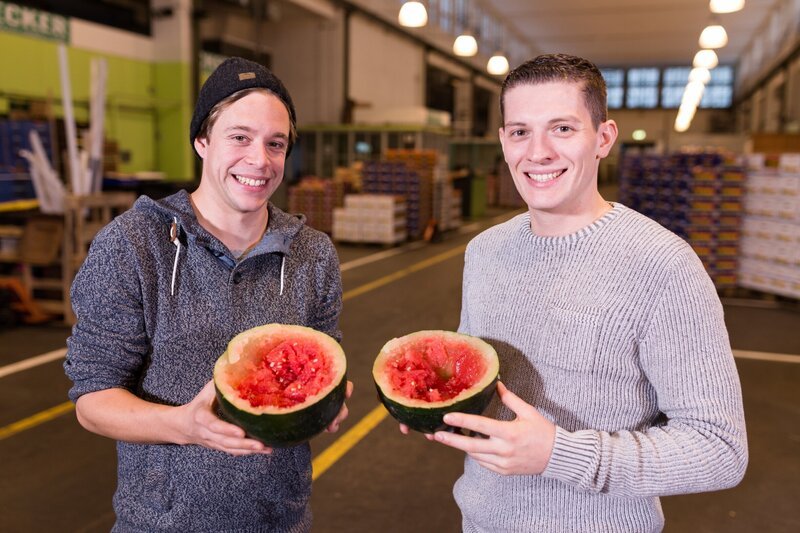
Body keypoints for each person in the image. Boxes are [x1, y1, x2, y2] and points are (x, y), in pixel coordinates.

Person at [418, 54, 748, 531]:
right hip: (480, 521)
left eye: (563, 129)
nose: (539, 152)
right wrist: (437, 405)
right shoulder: (484, 251)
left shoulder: (663, 265)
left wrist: (560, 454)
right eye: (520, 132)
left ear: (604, 138)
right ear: (503, 143)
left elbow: (720, 449)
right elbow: (479, 387)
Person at [64, 57, 351, 532]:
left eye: (275, 143)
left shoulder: (313, 254)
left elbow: (325, 355)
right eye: (240, 137)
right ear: (202, 140)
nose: (259, 159)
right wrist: (183, 425)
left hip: (280, 521)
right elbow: (92, 399)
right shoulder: (133, 244)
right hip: (159, 524)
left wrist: (324, 399)